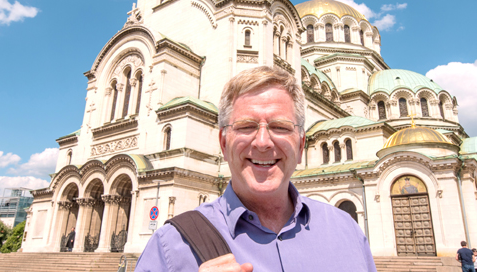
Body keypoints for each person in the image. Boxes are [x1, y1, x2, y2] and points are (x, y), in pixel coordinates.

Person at [135, 66, 377, 272]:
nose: (262, 142)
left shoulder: (347, 231)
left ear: (302, 144)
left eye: (280, 127)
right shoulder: (172, 246)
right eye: (246, 126)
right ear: (223, 143)